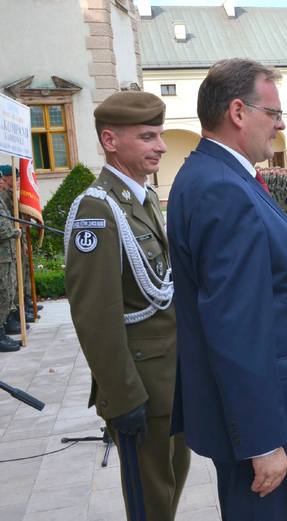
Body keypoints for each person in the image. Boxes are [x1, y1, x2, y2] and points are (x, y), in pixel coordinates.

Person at [166, 59, 287, 520]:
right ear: (239, 112)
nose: (281, 125)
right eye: (274, 112)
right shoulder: (222, 188)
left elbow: (254, 288)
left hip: (265, 415)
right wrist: (262, 439)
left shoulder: (221, 176)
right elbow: (236, 326)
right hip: (263, 427)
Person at [64, 91, 190, 521]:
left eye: (159, 135)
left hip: (169, 376)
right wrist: (122, 397)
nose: (161, 146)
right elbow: (95, 316)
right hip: (139, 384)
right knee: (150, 501)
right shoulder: (96, 210)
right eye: (148, 136)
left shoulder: (145, 199)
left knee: (172, 482)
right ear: (111, 141)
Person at [0, 167, 21, 352]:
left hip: (6, 255)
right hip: (1, 256)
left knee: (8, 291)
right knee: (2, 293)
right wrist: (15, 232)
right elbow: (2, 229)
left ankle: (5, 325)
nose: (1, 182)